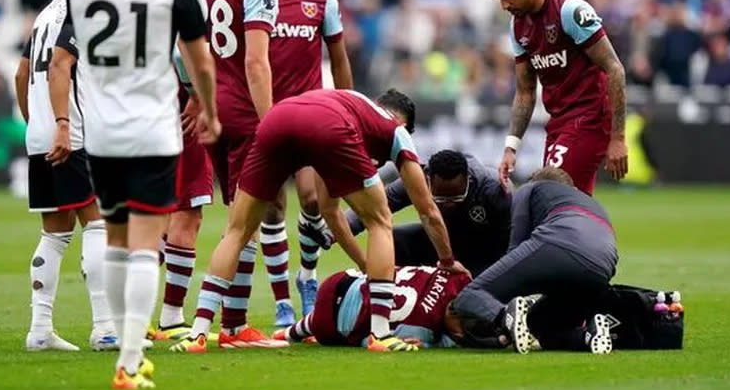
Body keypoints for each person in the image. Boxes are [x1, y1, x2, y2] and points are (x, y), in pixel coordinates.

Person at [49, 0, 219, 390]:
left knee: (116, 238)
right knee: (146, 244)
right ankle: (129, 357)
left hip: (101, 132)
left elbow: (71, 48)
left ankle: (121, 342)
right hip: (152, 128)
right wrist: (207, 109)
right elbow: (200, 63)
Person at [172, 88, 466, 354]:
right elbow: (427, 210)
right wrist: (446, 258)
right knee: (380, 221)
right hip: (326, 124)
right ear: (403, 125)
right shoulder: (396, 132)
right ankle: (381, 333)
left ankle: (198, 333)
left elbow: (330, 211)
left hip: (278, 117)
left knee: (237, 231)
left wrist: (366, 265)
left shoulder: (354, 107)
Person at [192, 0, 309, 349]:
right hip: (245, 115)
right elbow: (257, 63)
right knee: (245, 225)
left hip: (215, 112)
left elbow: (194, 47)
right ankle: (231, 326)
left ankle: (227, 324)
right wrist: (272, 123)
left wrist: (199, 99)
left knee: (239, 221)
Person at [14, 0, 117, 353]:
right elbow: (60, 66)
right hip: (70, 132)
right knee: (98, 223)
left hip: (42, 134)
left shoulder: (45, 14)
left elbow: (21, 74)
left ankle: (40, 330)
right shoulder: (83, 11)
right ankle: (106, 328)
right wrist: (61, 124)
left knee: (55, 235)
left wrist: (37, 124)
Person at [259, 0, 354, 328]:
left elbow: (339, 57)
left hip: (312, 116)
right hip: (266, 115)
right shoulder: (257, 0)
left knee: (313, 200)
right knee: (273, 207)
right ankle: (282, 301)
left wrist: (350, 108)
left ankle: (308, 276)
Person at [150, 0, 237, 342]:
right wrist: (197, 94)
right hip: (183, 110)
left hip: (147, 109)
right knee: (188, 212)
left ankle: (130, 307)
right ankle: (169, 316)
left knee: (158, 213)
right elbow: (188, 50)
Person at [487, 0, 628, 195]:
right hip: (558, 123)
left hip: (590, 117)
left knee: (550, 195)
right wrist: (511, 146)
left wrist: (618, 138)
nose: (505, 5)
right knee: (566, 206)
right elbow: (525, 91)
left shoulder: (569, 11)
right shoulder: (517, 26)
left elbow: (614, 68)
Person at [449, 167, 618, 355]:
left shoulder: (530, 188)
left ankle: (507, 317)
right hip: (602, 269)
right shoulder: (593, 203)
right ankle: (590, 335)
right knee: (542, 329)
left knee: (469, 297)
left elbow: (515, 249)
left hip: (560, 243)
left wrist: (494, 306)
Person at [344, 150, 511, 276]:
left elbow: (512, 241)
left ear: (469, 180)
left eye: (457, 198)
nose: (448, 205)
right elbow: (374, 208)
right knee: (394, 238)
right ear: (428, 180)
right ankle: (399, 296)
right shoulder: (416, 180)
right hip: (440, 244)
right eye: (440, 199)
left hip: (484, 250)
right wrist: (332, 231)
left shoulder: (494, 188)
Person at [274, 266, 472, 349]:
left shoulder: (459, 277)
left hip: (343, 277)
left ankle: (290, 332)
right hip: (331, 322)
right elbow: (374, 341)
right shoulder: (421, 329)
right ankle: (293, 331)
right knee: (373, 334)